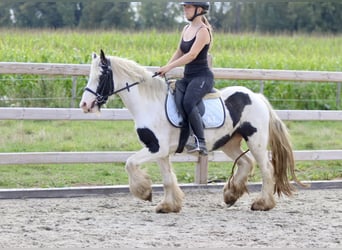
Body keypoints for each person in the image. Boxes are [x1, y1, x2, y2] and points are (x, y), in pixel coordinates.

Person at [157, 1, 214, 155]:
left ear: (199, 10)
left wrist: (170, 67)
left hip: (202, 77)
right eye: (184, 7)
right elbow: (180, 51)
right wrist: (165, 68)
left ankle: (201, 142)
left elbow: (192, 55)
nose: (185, 10)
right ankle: (186, 135)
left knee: (189, 101)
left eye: (188, 7)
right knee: (175, 96)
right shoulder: (186, 29)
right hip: (188, 77)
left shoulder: (203, 31)